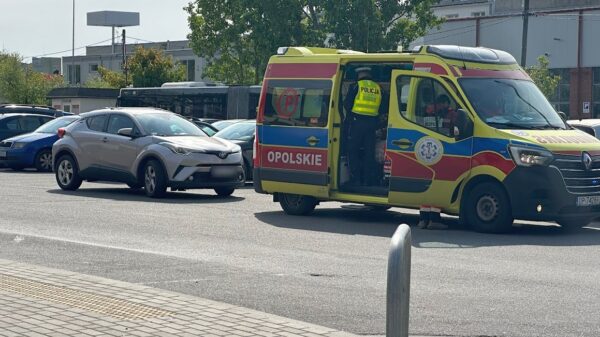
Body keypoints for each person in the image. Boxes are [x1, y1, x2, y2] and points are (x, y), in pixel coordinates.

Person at [343, 67, 383, 185]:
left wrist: (351, 117)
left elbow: (347, 104)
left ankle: (356, 180)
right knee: (369, 153)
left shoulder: (356, 86)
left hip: (357, 123)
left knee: (353, 151)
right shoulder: (378, 87)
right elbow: (383, 106)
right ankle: (368, 181)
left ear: (359, 75)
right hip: (372, 124)